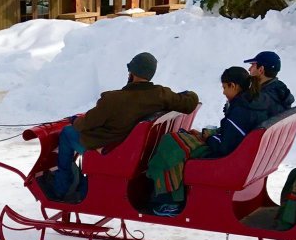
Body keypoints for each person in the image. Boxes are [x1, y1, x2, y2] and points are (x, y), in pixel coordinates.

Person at [51, 52, 199, 200]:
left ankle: (62, 187)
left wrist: (74, 120)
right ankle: (78, 184)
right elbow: (190, 102)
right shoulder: (161, 95)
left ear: (132, 73)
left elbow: (87, 123)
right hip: (136, 152)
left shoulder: (113, 99)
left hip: (114, 151)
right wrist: (188, 93)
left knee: (67, 132)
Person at [145, 66, 268, 216]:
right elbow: (233, 135)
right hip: (242, 157)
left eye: (224, 87)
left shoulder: (240, 110)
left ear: (233, 86)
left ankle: (169, 201)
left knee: (171, 145)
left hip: (228, 159)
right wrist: (209, 134)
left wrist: (209, 137)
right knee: (177, 140)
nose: (223, 92)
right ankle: (167, 195)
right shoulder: (253, 103)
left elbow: (224, 146)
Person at [243, 50, 294, 118]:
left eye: (252, 65)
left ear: (261, 69)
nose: (249, 69)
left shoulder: (263, 98)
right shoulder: (280, 88)